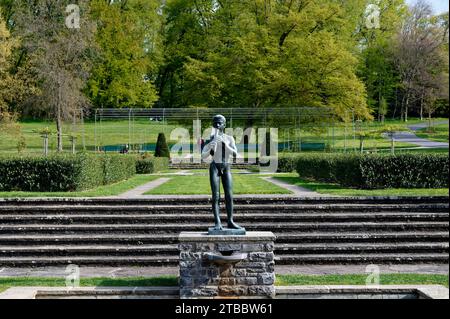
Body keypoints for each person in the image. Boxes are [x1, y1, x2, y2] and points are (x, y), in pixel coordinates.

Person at [202, 115, 243, 231]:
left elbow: (235, 154)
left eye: (220, 123)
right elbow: (203, 156)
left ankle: (230, 221)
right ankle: (217, 222)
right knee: (215, 196)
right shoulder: (210, 139)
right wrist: (211, 146)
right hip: (214, 167)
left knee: (229, 196)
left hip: (226, 167)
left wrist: (226, 145)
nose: (217, 125)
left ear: (224, 125)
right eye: (215, 123)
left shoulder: (229, 138)